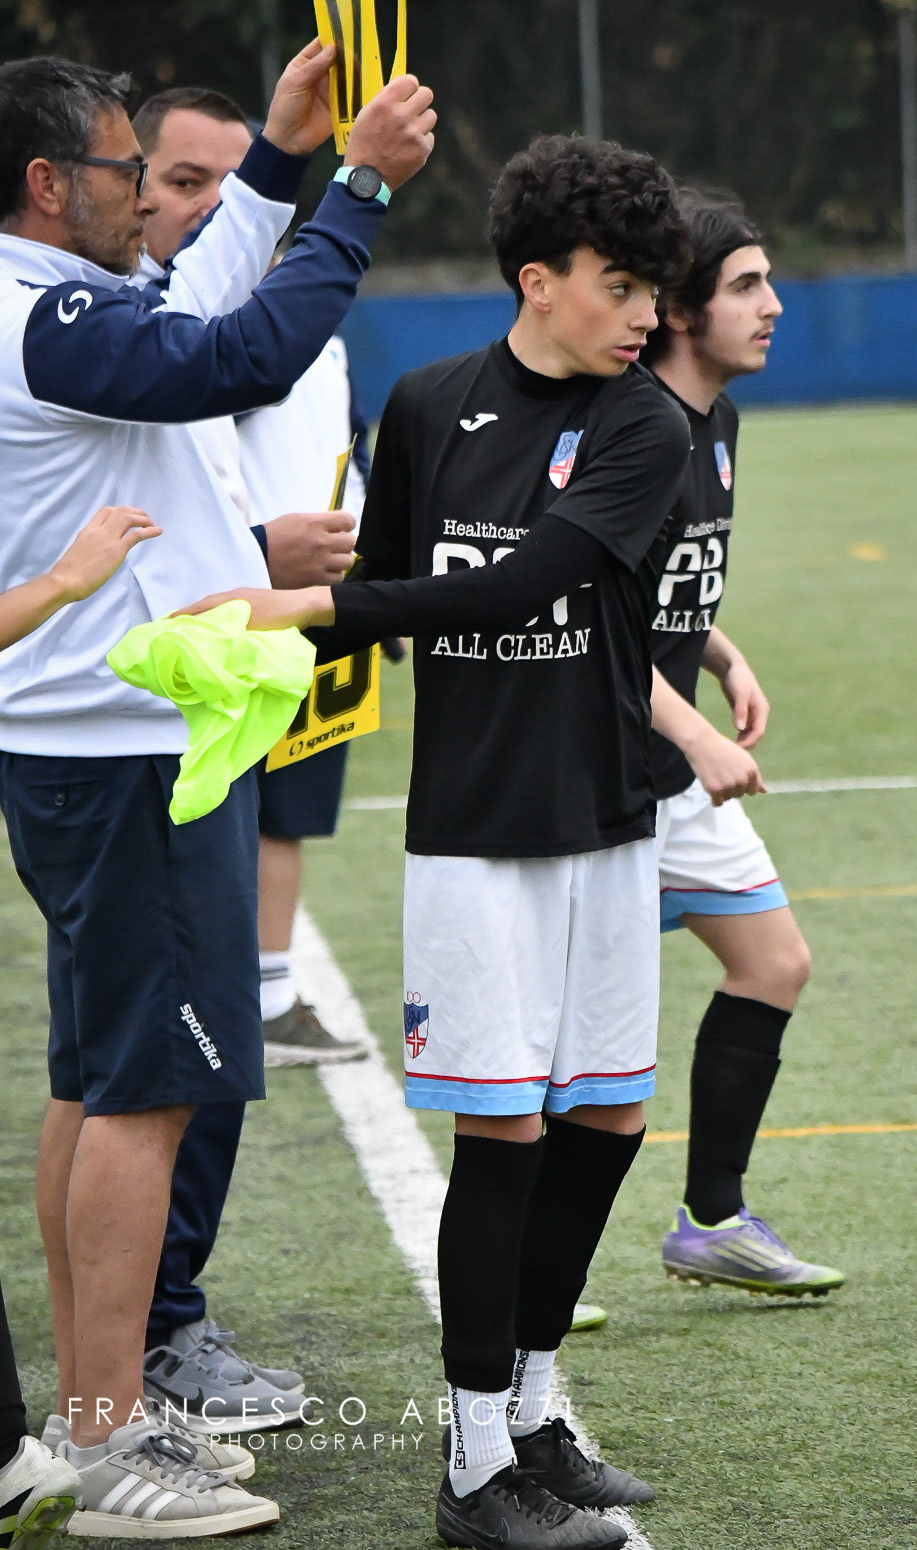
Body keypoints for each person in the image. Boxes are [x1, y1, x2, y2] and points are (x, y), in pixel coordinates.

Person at [182, 133, 709, 1550]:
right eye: (618, 286)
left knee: (606, 1116)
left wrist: (306, 610)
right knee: (504, 1126)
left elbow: (519, 584)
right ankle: (475, 1467)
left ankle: (532, 1412)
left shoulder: (648, 424)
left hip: (609, 817)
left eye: (652, 290)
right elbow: (399, 580)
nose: (644, 314)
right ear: (538, 279)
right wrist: (249, 624)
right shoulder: (427, 402)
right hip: (476, 830)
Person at [0, 42, 435, 1536]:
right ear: (47, 182)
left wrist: (282, 162)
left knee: (96, 1081)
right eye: (128, 171)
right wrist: (362, 189)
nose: (147, 198)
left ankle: (91, 1411)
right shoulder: (50, 315)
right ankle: (110, 1441)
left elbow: (192, 307)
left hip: (95, 744)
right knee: (148, 1091)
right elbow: (239, 356)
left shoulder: (60, 300)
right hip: (131, 752)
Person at [123, 86, 363, 1448]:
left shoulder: (253, 315)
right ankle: (153, 1341)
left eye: (237, 180)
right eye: (180, 180)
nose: (214, 207)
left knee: (181, 1051)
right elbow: (115, 527)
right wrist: (258, 557)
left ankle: (147, 1331)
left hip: (248, 681)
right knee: (176, 1054)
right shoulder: (127, 329)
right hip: (156, 727)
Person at [641, 194, 846, 1297]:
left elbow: (662, 585)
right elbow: (583, 619)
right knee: (567, 1039)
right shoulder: (631, 428)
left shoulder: (713, 418)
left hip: (673, 760)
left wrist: (720, 654)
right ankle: (522, 1268)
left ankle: (712, 1220)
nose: (773, 305)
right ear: (680, 308)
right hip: (595, 771)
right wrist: (688, 724)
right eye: (746, 286)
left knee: (773, 962)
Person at [0, 507, 156, 1550]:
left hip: (59, 737)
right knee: (126, 1085)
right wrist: (60, 583)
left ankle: (50, 1434)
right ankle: (87, 1437)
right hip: (83, 735)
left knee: (90, 1075)